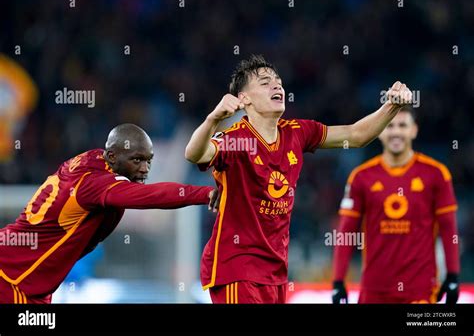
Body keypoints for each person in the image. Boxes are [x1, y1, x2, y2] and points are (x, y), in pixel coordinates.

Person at [185, 54, 413, 304]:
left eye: (279, 82)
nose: (277, 86)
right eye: (265, 82)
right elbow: (194, 153)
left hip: (276, 272)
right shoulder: (235, 139)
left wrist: (391, 106)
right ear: (244, 98)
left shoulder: (297, 132)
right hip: (236, 268)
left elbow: (355, 135)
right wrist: (213, 119)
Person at [0, 123, 218, 304]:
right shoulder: (96, 185)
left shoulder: (91, 161)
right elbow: (152, 195)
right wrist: (206, 193)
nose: (145, 169)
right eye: (136, 160)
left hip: (29, 281)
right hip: (13, 278)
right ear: (112, 156)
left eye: (148, 160)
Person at [332, 107, 460, 304]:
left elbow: (448, 228)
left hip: (420, 289)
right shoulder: (361, 177)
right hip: (374, 289)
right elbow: (345, 233)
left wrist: (453, 275)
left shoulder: (436, 174)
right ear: (379, 130)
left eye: (403, 125)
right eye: (389, 126)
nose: (396, 132)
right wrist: (338, 281)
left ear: (414, 130)